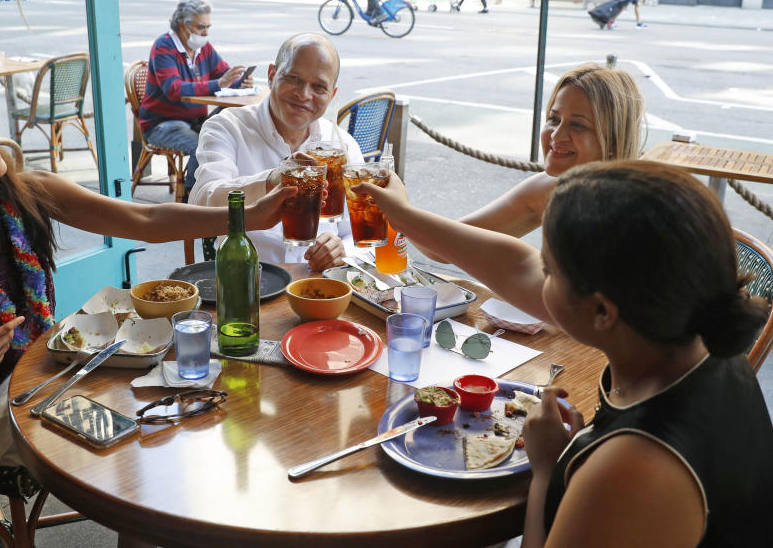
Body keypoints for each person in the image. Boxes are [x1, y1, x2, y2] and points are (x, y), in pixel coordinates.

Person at [0, 47, 293, 498]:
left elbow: (145, 221)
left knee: (173, 409)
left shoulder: (23, 192)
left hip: (53, 372)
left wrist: (249, 216)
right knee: (150, 458)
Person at [355, 161, 773, 546]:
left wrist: (545, 469)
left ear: (603, 311)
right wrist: (403, 216)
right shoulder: (698, 337)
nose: (537, 275)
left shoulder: (634, 469)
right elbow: (516, 267)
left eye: (550, 270)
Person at [190, 33, 363, 271]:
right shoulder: (227, 126)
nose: (303, 94)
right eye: (293, 78)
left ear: (331, 95)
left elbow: (359, 233)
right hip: (249, 285)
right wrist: (270, 180)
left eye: (319, 87)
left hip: (319, 289)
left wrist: (342, 250)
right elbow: (203, 202)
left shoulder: (342, 145)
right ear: (271, 75)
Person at [456, 64, 643, 238]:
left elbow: (526, 265)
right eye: (553, 119)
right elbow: (452, 241)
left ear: (612, 142)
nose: (557, 136)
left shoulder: (629, 212)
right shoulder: (553, 186)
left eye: (577, 125)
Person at [139, 0, 252, 195]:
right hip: (162, 124)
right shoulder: (164, 47)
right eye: (201, 27)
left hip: (195, 121)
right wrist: (220, 83)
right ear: (183, 24)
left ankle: (228, 189)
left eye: (208, 27)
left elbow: (223, 76)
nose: (206, 33)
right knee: (202, 146)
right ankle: (193, 198)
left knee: (229, 131)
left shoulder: (203, 48)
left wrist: (239, 83)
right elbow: (174, 89)